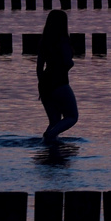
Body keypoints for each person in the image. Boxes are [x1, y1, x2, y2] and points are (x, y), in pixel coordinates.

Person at [36, 9, 79, 145]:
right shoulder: (63, 41)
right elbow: (67, 63)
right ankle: (50, 135)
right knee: (72, 117)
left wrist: (42, 84)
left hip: (44, 83)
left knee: (54, 121)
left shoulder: (44, 42)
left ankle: (47, 146)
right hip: (60, 82)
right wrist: (71, 63)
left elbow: (38, 68)